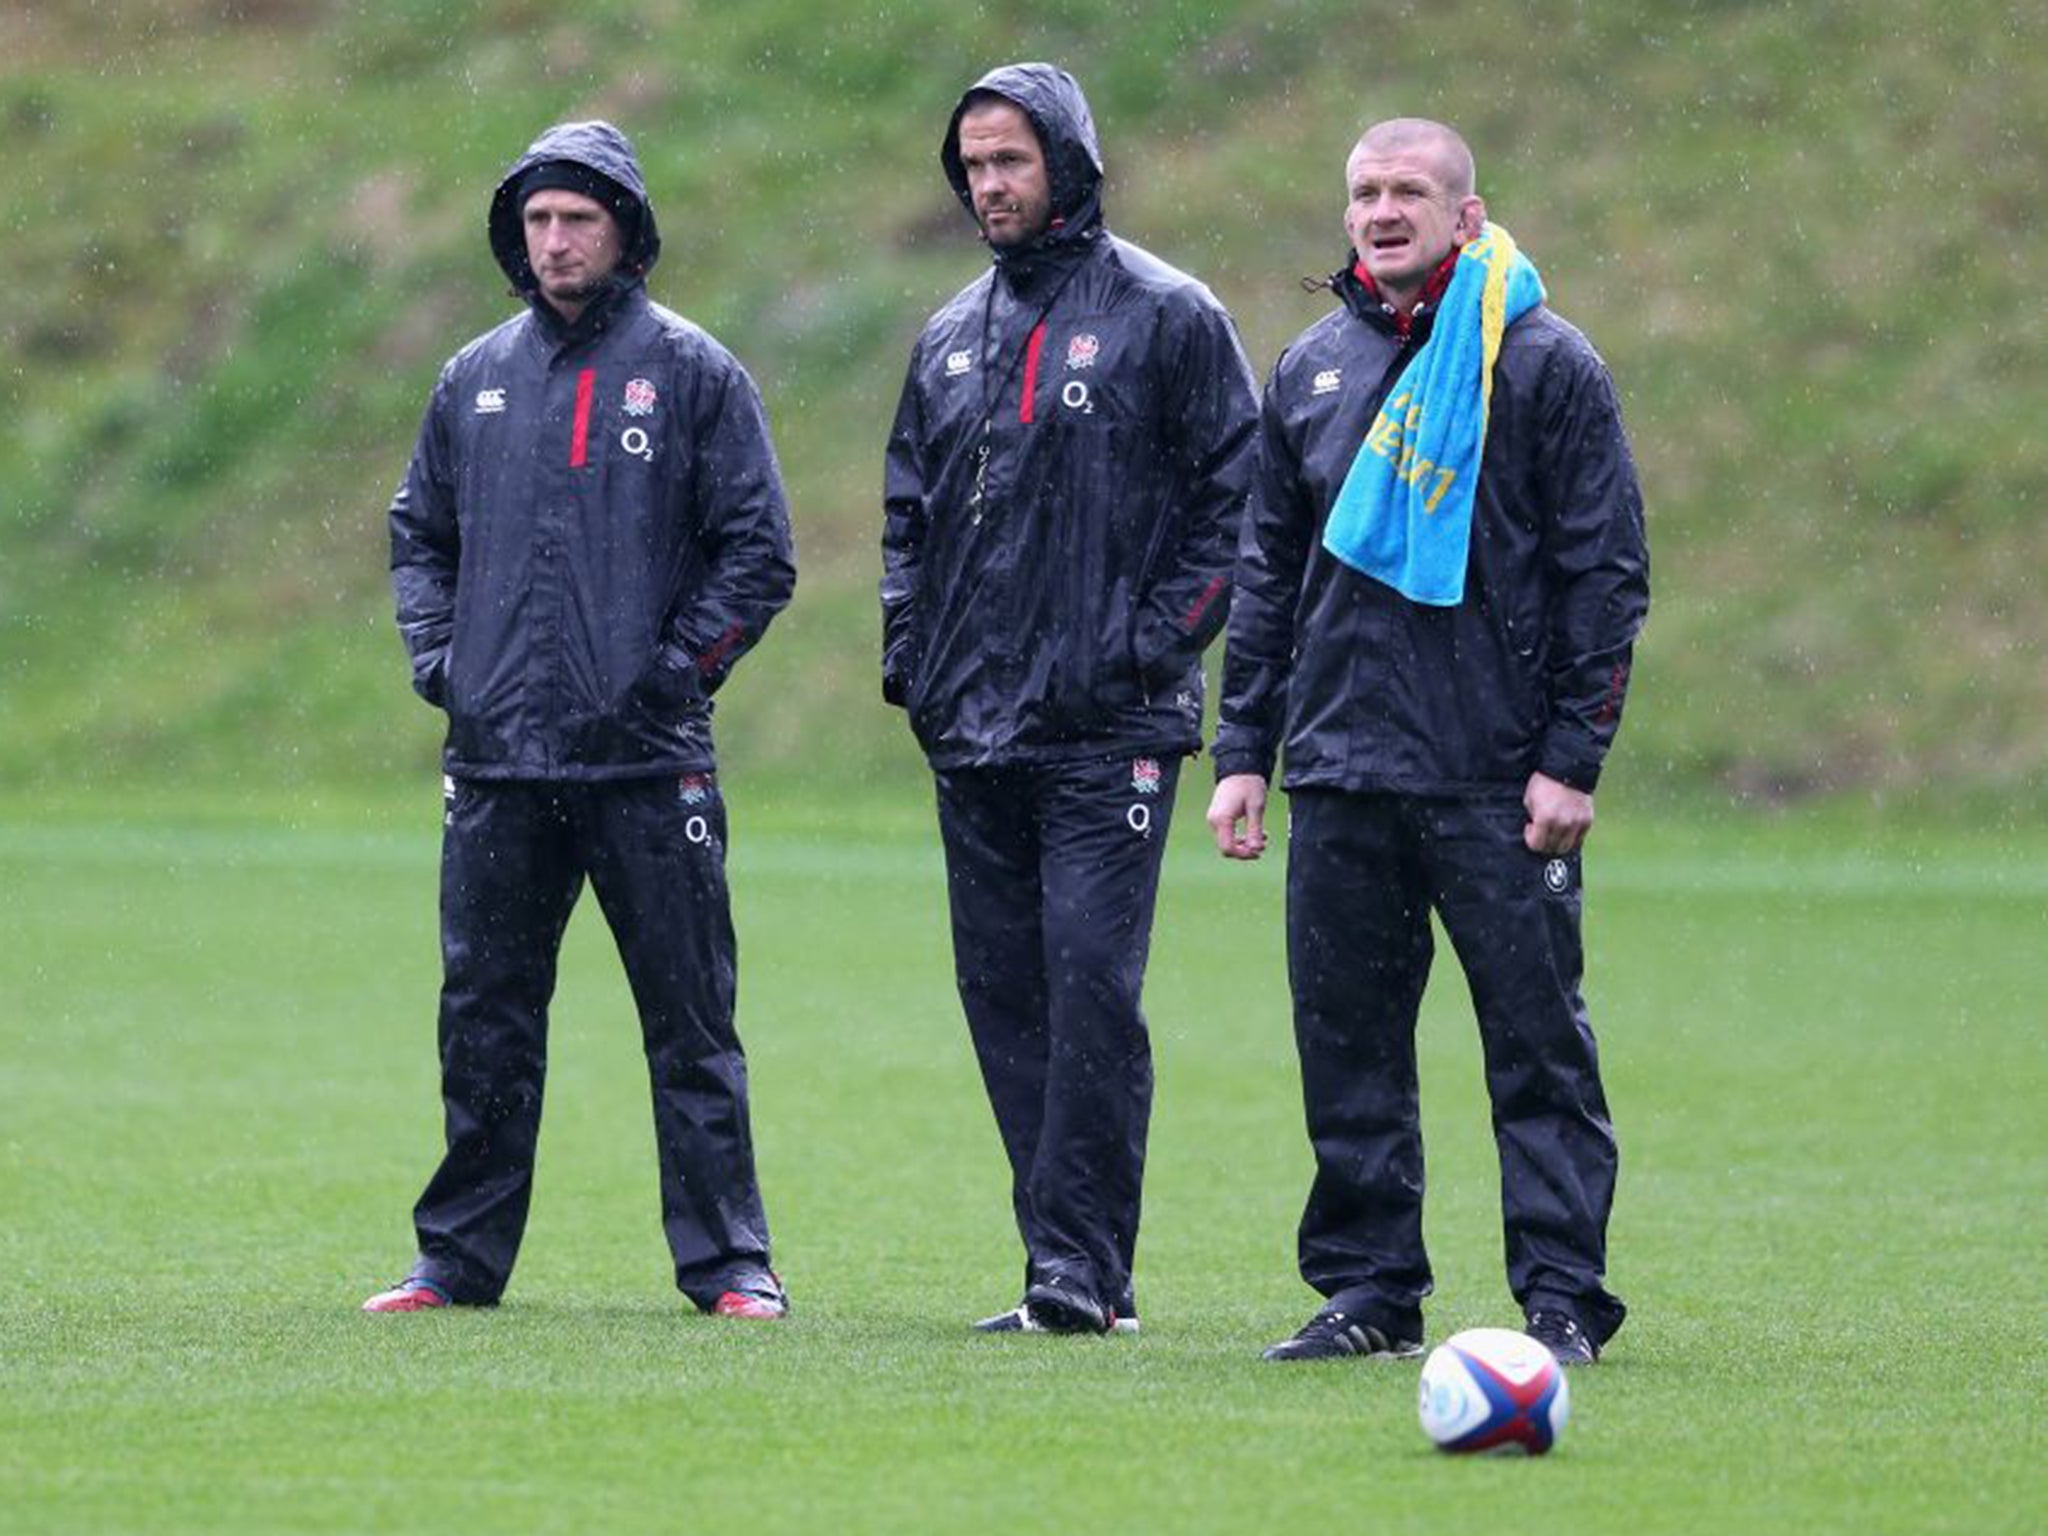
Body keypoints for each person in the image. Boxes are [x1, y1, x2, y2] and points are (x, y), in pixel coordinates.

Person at [1206, 118, 1648, 1365]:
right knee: (1344, 1048)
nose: (1381, 210)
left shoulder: (1544, 364)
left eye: (1409, 191)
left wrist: (1572, 757)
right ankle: (1367, 1291)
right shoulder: (1307, 366)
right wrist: (1244, 747)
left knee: (1536, 1047)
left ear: (1467, 214)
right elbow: (1268, 573)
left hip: (1494, 777)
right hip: (1342, 769)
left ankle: (1561, 1296)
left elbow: (1603, 575)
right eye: (1363, 191)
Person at [366, 120, 797, 1319]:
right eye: (538, 222)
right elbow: (419, 538)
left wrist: (672, 676)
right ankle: (454, 1262)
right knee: (484, 1020)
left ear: (625, 233)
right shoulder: (472, 378)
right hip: (497, 762)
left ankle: (728, 1266)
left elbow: (756, 554)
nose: (555, 241)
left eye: (578, 220)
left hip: (648, 764)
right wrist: (444, 663)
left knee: (691, 1023)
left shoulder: (694, 374)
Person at [882, 64, 1257, 1335]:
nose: (989, 185)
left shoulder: (1167, 314)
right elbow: (907, 516)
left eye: (1011, 161)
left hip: (1112, 733)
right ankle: (1063, 1266)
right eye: (973, 165)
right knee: (1003, 1001)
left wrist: (1148, 647)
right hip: (973, 731)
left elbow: (1239, 503)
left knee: (1090, 984)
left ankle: (1081, 1274)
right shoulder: (945, 333)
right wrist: (909, 660)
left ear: (1068, 163)